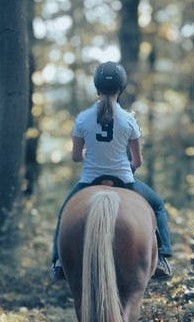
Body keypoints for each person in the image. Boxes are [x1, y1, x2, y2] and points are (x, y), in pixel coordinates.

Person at [50, 61, 173, 281]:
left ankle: (58, 261)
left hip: (89, 181)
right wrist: (129, 167)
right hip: (125, 180)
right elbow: (138, 160)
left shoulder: (83, 119)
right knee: (158, 206)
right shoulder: (129, 120)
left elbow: (76, 156)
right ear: (121, 88)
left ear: (97, 88)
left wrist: (89, 155)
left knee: (64, 212)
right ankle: (162, 258)